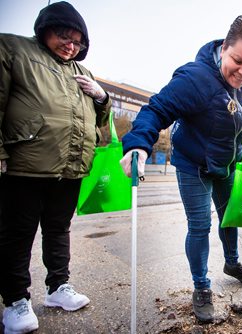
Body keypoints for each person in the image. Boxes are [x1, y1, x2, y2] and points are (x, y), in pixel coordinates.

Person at [119, 15, 242, 323]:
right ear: (224, 47)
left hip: (226, 165)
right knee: (200, 226)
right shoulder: (196, 79)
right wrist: (138, 144)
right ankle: (202, 286)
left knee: (231, 218)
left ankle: (232, 262)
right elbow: (156, 109)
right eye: (238, 61)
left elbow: (234, 125)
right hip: (194, 166)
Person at [0, 1, 111, 333]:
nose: (70, 45)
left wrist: (102, 97)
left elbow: (101, 121)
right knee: (17, 233)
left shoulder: (83, 72)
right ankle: (16, 301)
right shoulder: (14, 50)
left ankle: (58, 287)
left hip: (71, 167)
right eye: (64, 35)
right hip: (25, 165)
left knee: (59, 229)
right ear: (45, 29)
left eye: (77, 41)